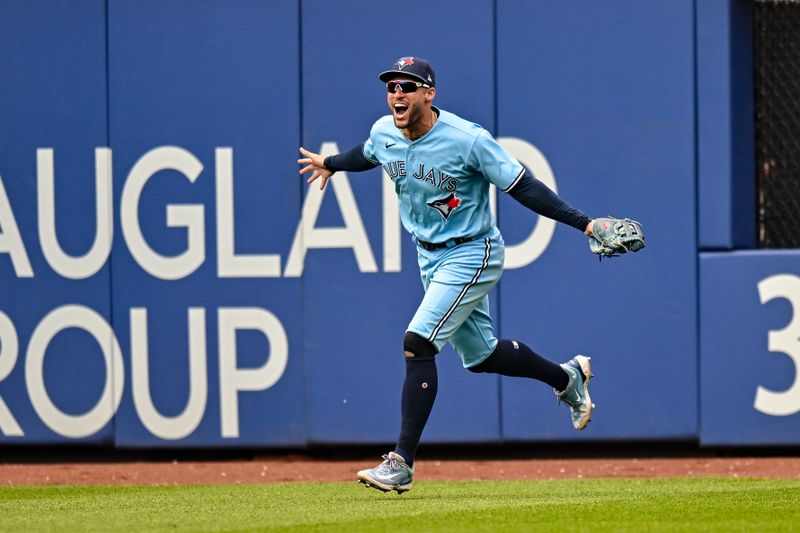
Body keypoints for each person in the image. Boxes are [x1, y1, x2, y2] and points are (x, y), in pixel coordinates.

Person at [298, 56, 596, 494]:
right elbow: (367, 153)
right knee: (483, 357)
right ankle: (565, 378)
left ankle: (401, 462)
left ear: (429, 93)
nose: (397, 93)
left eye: (408, 86)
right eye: (391, 86)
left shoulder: (467, 139)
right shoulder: (385, 131)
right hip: (429, 257)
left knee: (418, 341)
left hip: (474, 251)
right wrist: (331, 163)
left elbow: (523, 185)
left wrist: (586, 224)